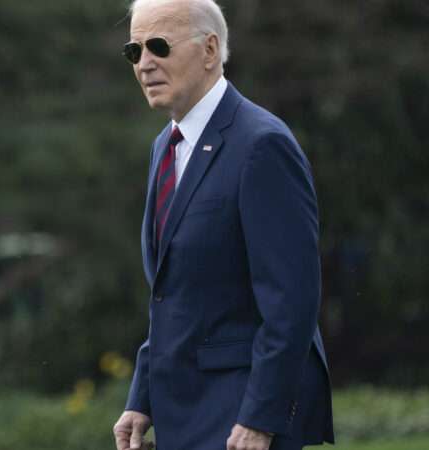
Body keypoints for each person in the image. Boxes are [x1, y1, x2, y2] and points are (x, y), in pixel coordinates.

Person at [111, 1, 335, 450]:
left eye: (158, 46)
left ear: (210, 50)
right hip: (184, 418)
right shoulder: (165, 146)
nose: (145, 64)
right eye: (134, 51)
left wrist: (261, 419)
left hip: (242, 425)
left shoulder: (262, 145)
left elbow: (292, 303)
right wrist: (143, 398)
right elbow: (172, 294)